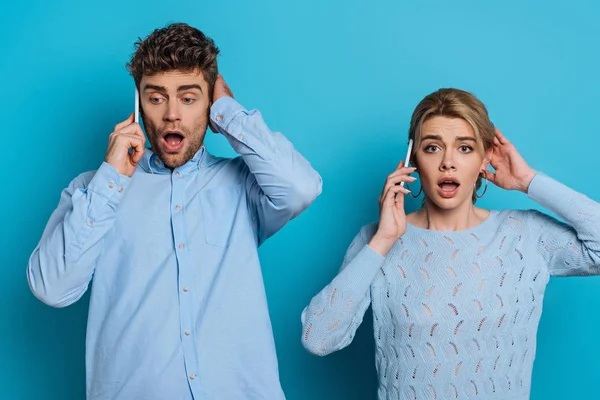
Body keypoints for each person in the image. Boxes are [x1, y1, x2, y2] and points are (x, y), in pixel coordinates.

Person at [27, 23, 322, 400]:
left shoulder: (244, 185)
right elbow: (52, 288)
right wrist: (111, 178)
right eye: (156, 98)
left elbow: (302, 187)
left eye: (188, 98)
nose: (171, 115)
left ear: (208, 104)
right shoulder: (94, 190)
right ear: (138, 103)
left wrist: (229, 113)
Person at [301, 88, 600, 400]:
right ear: (412, 158)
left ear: (486, 157)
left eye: (465, 148)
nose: (448, 162)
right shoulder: (376, 240)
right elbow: (318, 339)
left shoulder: (524, 235)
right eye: (432, 148)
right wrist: (384, 239)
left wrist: (528, 181)